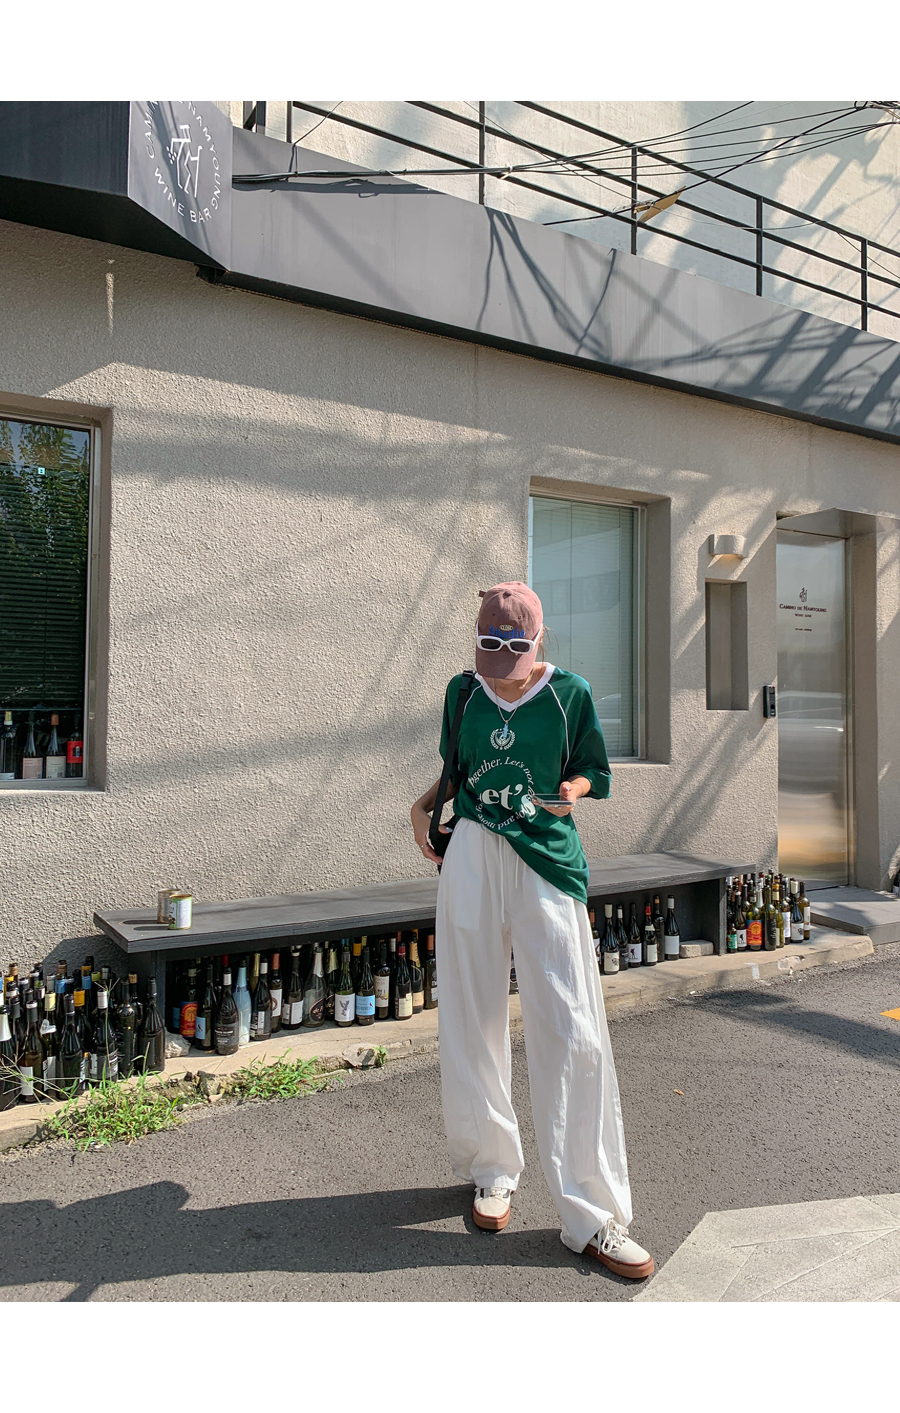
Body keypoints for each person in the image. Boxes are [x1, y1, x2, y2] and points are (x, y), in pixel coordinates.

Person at [410, 581, 654, 1280]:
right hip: (473, 852)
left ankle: (593, 1214)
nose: (501, 669)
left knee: (572, 1026)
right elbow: (456, 774)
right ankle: (491, 1167)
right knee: (470, 1013)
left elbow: (592, 771)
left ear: (537, 641)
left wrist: (572, 790)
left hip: (546, 857)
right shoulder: (463, 692)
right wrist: (421, 810)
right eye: (489, 652)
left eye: (512, 655)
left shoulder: (570, 694)